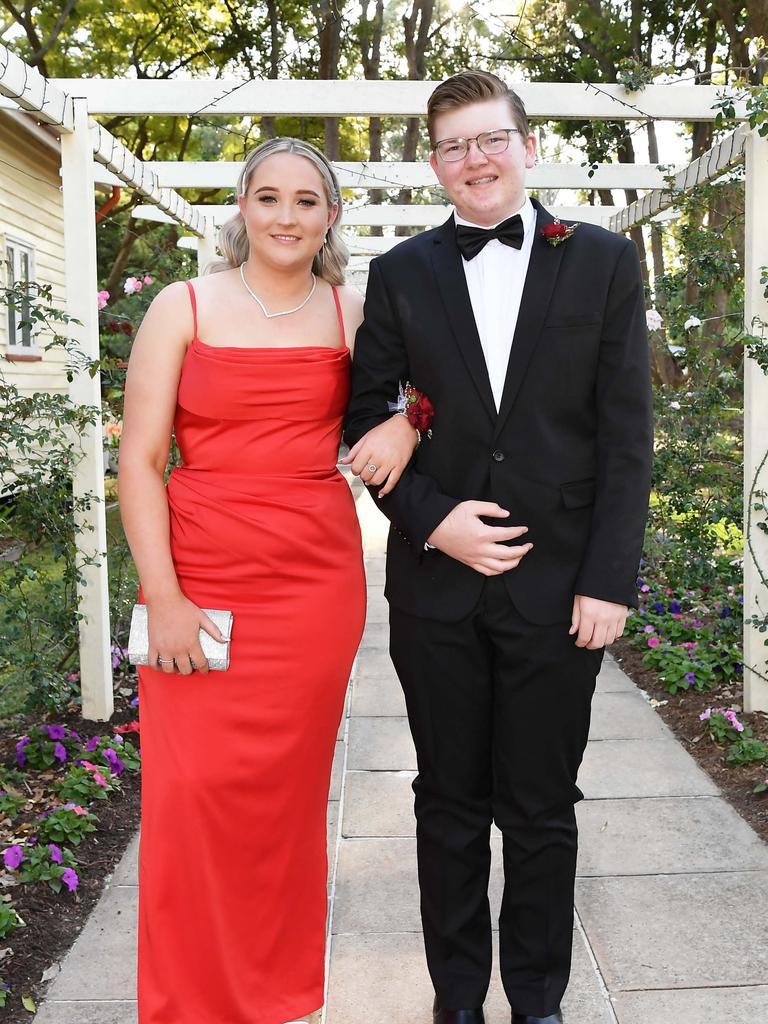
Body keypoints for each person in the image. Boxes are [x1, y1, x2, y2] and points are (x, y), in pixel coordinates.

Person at [345, 71, 653, 1024]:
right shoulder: (400, 274)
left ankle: (539, 1002)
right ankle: (456, 1004)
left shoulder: (602, 260)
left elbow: (625, 435)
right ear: (432, 162)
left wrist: (609, 581)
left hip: (562, 591)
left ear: (525, 144)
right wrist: (434, 517)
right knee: (445, 807)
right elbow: (368, 417)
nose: (473, 160)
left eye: (490, 140)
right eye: (453, 145)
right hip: (436, 591)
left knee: (542, 808)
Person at [118, 136, 418, 1024]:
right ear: (241, 208)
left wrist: (405, 424)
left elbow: (428, 396)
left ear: (331, 217)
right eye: (268, 197)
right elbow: (139, 462)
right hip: (198, 573)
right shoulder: (182, 307)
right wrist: (162, 596)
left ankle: (277, 997)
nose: (286, 216)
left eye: (306, 201)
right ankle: (184, 1004)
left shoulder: (351, 313)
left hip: (312, 585)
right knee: (190, 798)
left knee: (285, 803)